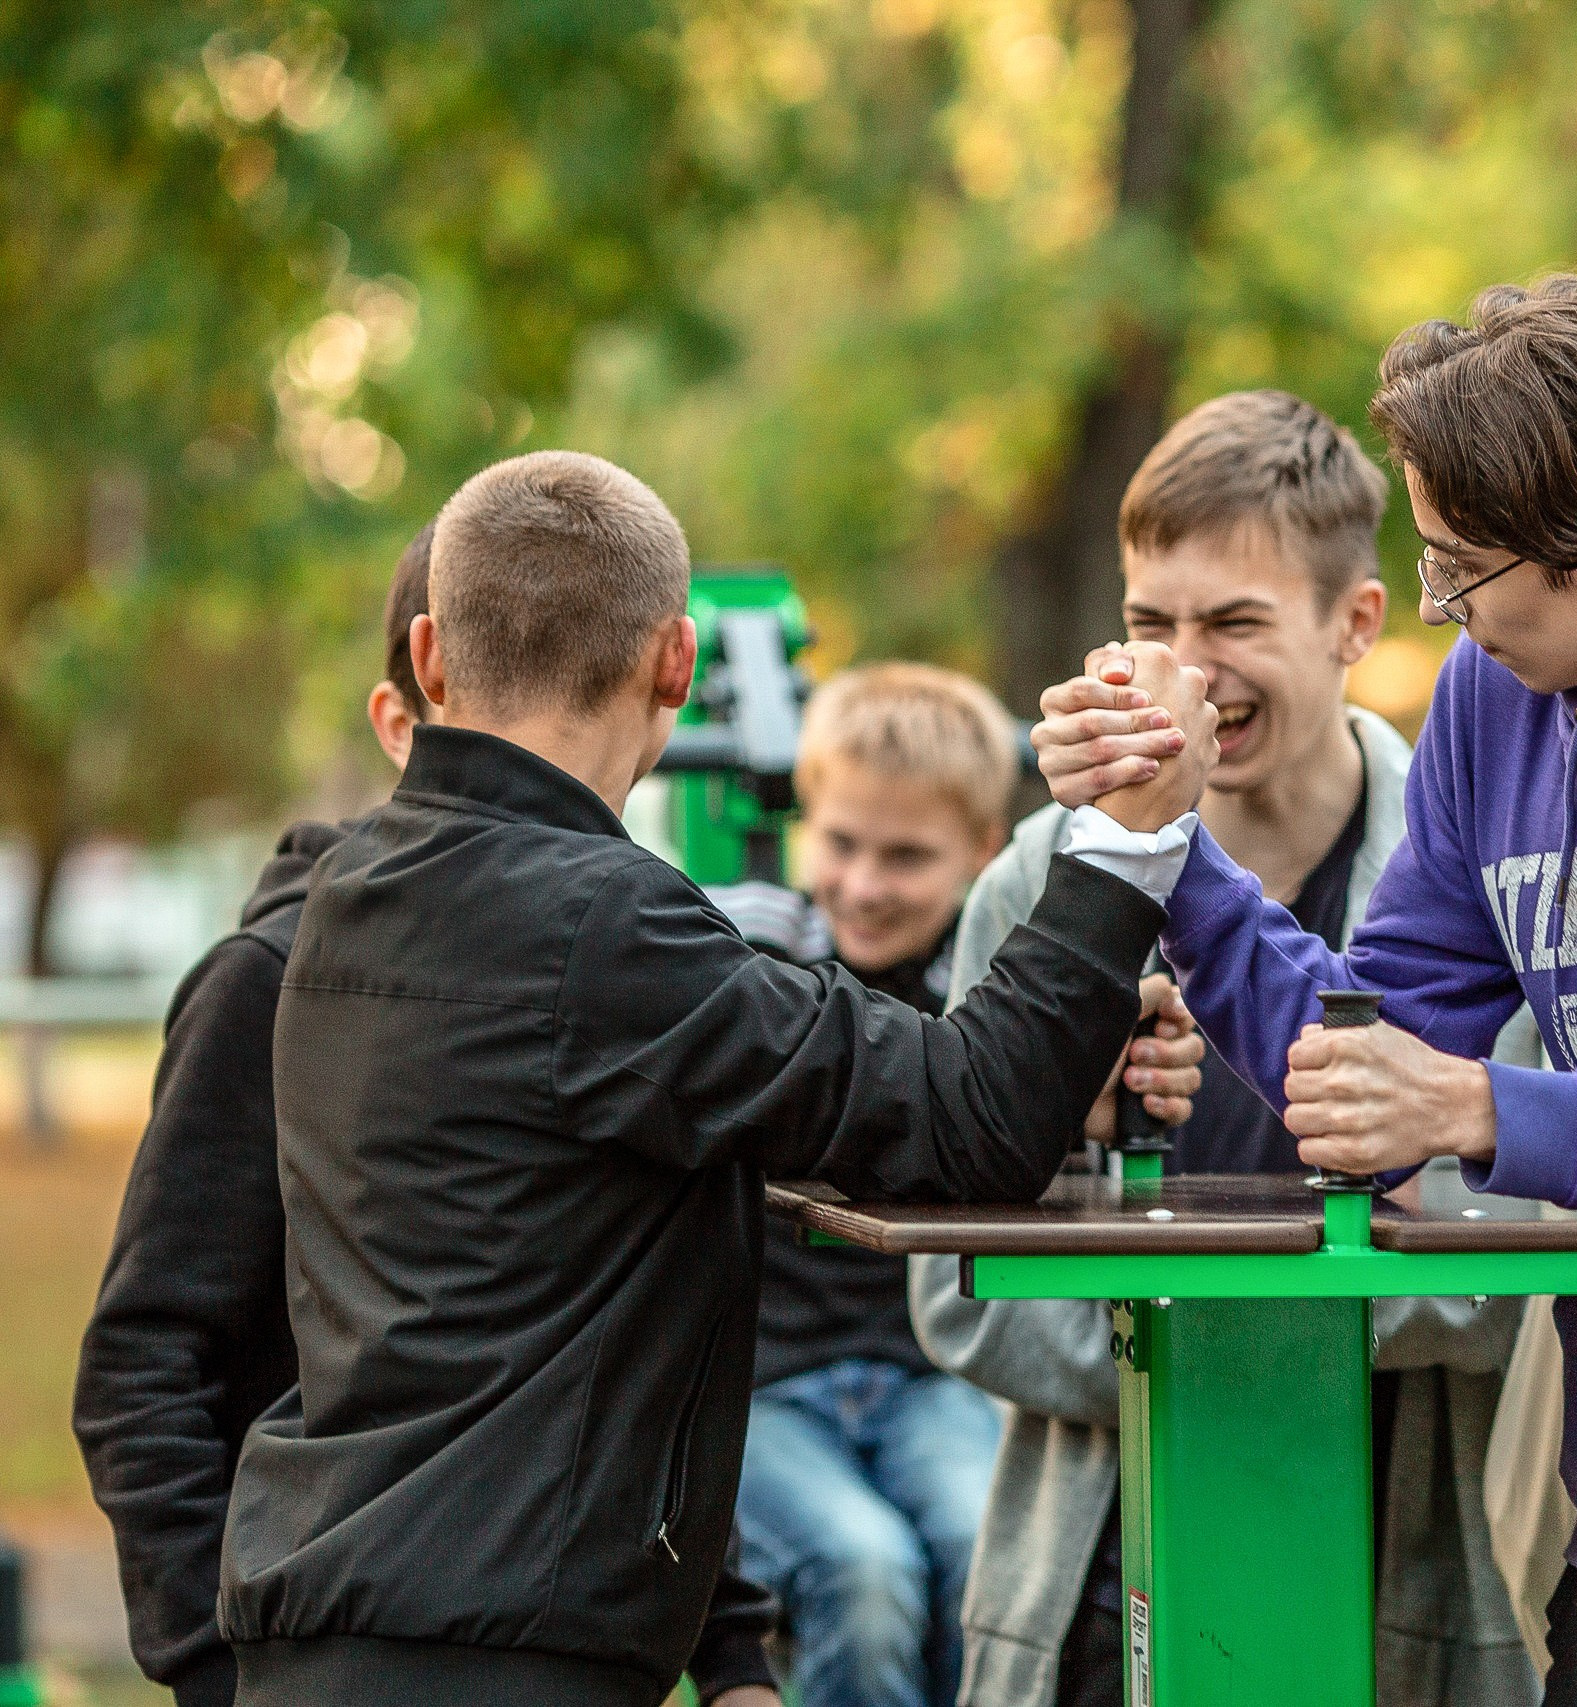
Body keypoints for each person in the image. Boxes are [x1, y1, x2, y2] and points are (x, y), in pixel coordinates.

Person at [213, 451, 1216, 1707]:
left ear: (427, 658)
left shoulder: (350, 899)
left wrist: (730, 1651)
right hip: (497, 1656)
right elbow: (967, 1123)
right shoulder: (602, 929)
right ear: (676, 666)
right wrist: (1125, 842)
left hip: (339, 1629)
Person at [1029, 278, 1577, 1704]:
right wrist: (1170, 840)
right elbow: (1365, 1067)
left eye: (1467, 569)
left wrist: (1483, 1105)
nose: (1447, 610)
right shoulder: (1491, 700)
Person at [72, 524, 784, 1707]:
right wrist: (213, 1667)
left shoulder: (598, 974)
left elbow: (610, 1349)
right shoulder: (274, 980)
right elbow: (144, 1360)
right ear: (408, 715)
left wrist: (731, 1652)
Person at [912, 390, 1540, 1707]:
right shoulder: (1040, 882)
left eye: (1236, 623)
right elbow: (953, 1286)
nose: (1188, 673)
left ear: (1355, 624)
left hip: (1400, 1562)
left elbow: (1509, 1273)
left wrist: (1235, 1333)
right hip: (1101, 1570)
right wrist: (1066, 1140)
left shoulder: (1480, 878)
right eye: (1152, 625)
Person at [714, 664, 1200, 1707]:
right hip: (764, 1386)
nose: (865, 884)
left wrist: (1090, 1105)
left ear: (982, 852)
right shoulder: (755, 941)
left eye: (907, 856)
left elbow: (1013, 1130)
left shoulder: (989, 985)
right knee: (863, 1571)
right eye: (841, 844)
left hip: (927, 1375)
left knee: (974, 1543)